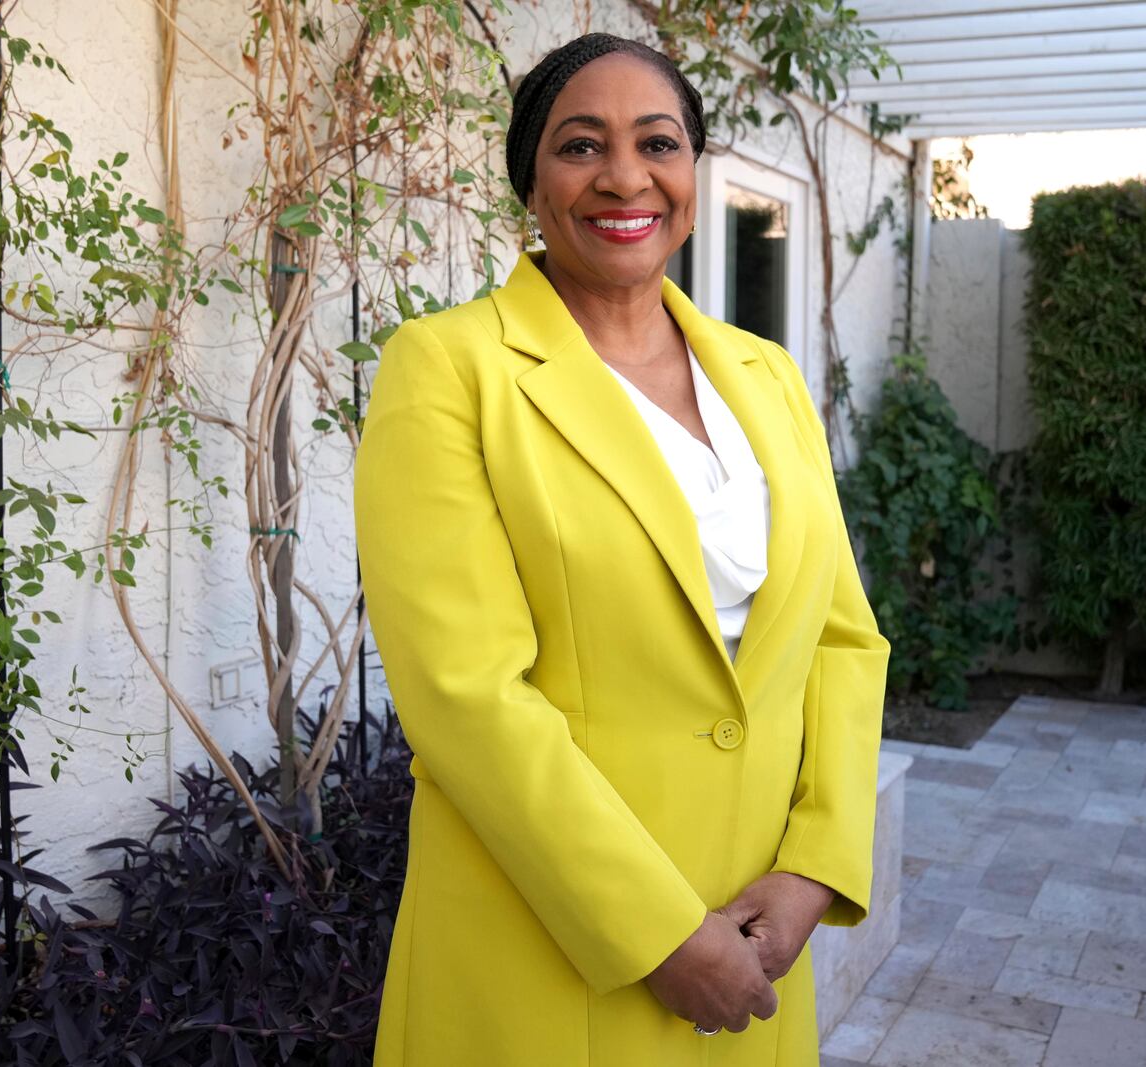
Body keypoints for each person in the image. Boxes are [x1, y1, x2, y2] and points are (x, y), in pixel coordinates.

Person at [355, 31, 890, 1066]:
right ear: (530, 178)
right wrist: (655, 930)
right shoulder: (449, 369)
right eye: (579, 146)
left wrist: (814, 868)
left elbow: (840, 639)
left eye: (658, 142)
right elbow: (466, 693)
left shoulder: (767, 376)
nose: (624, 176)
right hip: (549, 945)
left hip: (756, 942)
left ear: (693, 169)